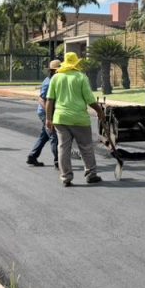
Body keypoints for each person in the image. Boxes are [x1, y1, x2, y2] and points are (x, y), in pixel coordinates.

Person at [46, 52, 106, 187]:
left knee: (63, 148)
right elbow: (90, 99)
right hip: (79, 119)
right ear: (75, 64)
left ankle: (66, 177)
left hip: (60, 119)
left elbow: (49, 100)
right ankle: (91, 174)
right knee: (86, 147)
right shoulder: (81, 77)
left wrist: (48, 119)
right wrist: (100, 111)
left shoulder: (56, 77)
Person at [26, 59, 61, 168]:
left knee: (44, 136)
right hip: (45, 112)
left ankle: (32, 156)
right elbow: (42, 100)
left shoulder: (53, 80)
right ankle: (58, 161)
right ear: (54, 71)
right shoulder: (49, 82)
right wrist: (48, 116)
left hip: (48, 112)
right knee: (53, 136)